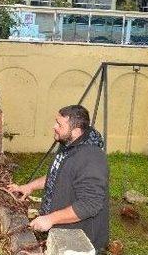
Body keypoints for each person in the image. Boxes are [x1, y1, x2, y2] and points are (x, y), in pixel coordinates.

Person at [7, 105, 109, 251]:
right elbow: (57, 174)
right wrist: (29, 187)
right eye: (56, 122)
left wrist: (51, 219)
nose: (54, 126)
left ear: (76, 131)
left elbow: (90, 204)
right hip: (62, 231)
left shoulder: (91, 159)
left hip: (80, 241)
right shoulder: (69, 143)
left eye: (59, 124)